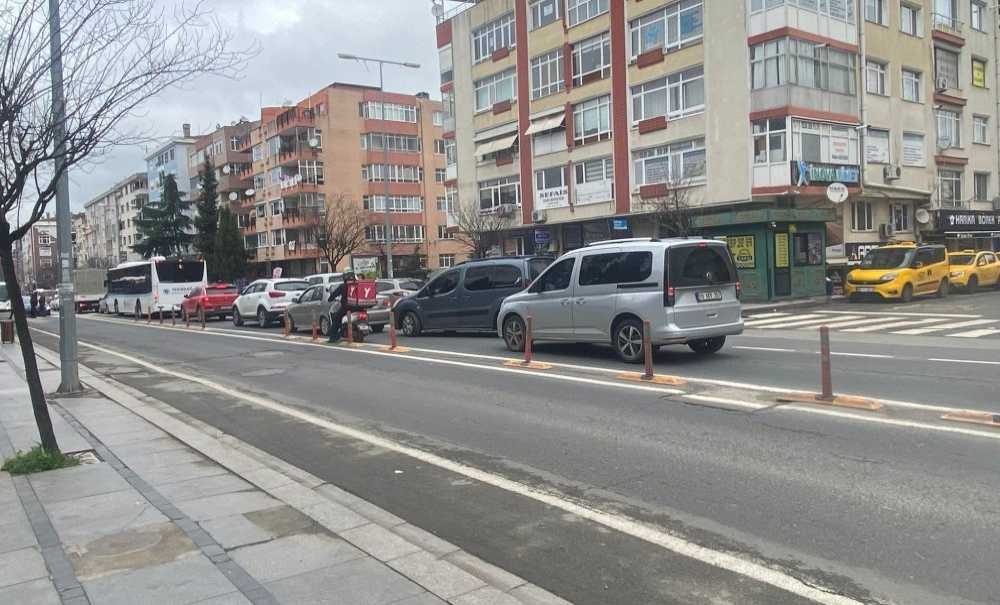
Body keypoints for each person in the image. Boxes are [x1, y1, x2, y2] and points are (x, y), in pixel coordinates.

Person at [327, 272, 357, 343]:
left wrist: (330, 299)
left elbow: (335, 294)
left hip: (346, 307)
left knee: (336, 318)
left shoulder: (343, 286)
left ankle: (333, 337)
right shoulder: (357, 285)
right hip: (358, 307)